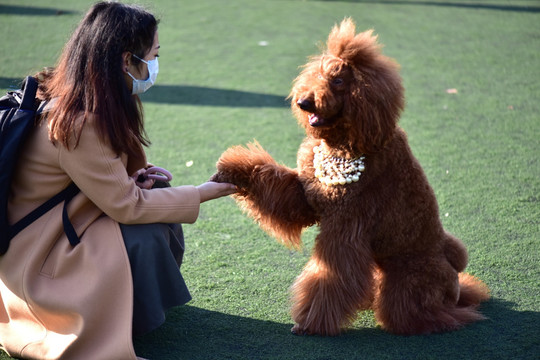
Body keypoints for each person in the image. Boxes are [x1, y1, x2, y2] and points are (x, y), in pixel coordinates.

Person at [0, 2, 236, 359]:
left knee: (157, 200)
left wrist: (131, 177)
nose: (156, 63)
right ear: (127, 61)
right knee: (147, 226)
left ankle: (126, 313)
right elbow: (127, 207)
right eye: (153, 54)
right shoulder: (80, 120)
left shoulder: (67, 92)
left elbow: (88, 179)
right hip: (37, 259)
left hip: (41, 234)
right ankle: (102, 325)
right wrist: (203, 193)